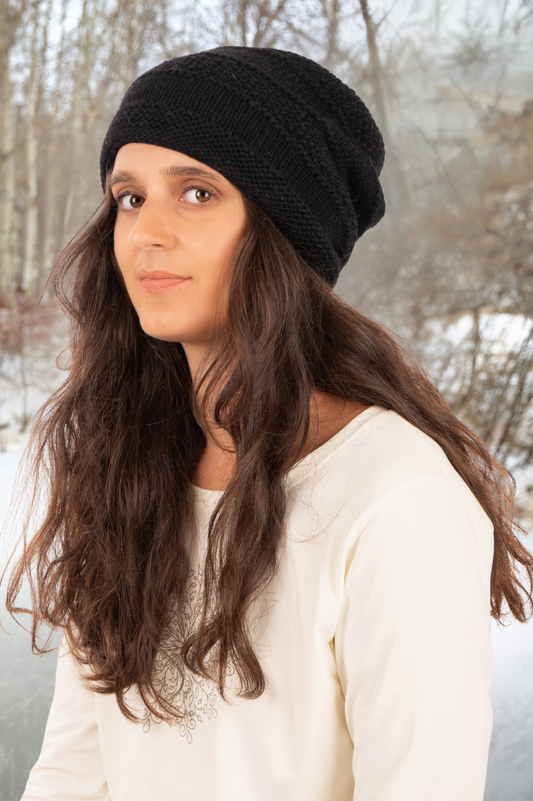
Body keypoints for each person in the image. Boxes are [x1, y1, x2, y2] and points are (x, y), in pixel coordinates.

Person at [3, 45, 532, 801]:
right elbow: (73, 770)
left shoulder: (396, 496)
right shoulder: (127, 467)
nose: (145, 231)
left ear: (284, 229)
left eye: (196, 193)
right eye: (129, 197)